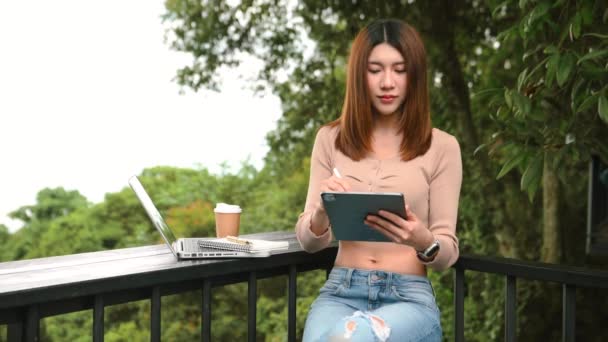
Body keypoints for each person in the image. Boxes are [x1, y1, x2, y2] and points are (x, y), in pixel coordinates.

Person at [295, 18, 462, 342]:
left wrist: (422, 240)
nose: (388, 82)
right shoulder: (330, 139)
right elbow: (308, 241)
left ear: (414, 75)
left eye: (399, 69)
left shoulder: (442, 146)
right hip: (340, 290)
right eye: (375, 70)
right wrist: (320, 214)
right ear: (360, 75)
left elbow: (447, 252)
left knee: (350, 338)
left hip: (408, 297)